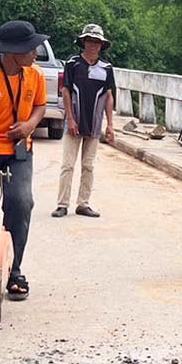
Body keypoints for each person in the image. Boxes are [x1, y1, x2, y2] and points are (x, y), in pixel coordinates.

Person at [0, 19, 48, 300]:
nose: (35, 53)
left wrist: (29, 125)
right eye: (30, 48)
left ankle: (14, 269)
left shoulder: (35, 75)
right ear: (13, 52)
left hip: (20, 151)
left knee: (21, 203)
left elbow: (40, 106)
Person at [54, 23, 115, 218]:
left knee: (88, 165)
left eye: (97, 42)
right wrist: (70, 118)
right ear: (84, 42)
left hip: (94, 123)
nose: (93, 45)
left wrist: (110, 124)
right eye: (90, 41)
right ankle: (62, 204)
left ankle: (83, 203)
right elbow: (66, 90)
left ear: (101, 45)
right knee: (68, 164)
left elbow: (109, 96)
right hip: (75, 121)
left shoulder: (106, 68)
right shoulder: (73, 64)